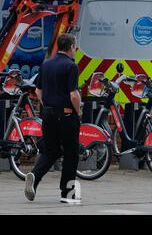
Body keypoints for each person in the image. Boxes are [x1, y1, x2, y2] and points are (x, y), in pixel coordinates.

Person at [24, 33, 82, 204]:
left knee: (51, 151)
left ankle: (35, 175)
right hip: (66, 115)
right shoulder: (71, 66)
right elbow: (73, 94)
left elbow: (38, 91)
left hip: (48, 113)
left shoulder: (46, 64)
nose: (76, 49)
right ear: (71, 47)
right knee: (71, 154)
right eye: (75, 46)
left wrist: (48, 106)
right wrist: (77, 111)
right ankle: (68, 194)